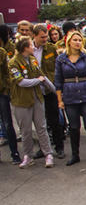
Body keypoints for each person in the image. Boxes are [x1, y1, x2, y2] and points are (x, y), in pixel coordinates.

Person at [54, 31, 86, 165]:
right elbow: (58, 80)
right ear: (69, 42)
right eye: (75, 40)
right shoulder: (61, 59)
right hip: (70, 96)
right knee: (74, 127)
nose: (78, 42)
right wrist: (60, 100)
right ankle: (75, 155)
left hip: (85, 94)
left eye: (80, 40)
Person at [10, 36, 56, 168]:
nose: (33, 47)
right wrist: (38, 81)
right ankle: (28, 156)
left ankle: (48, 154)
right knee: (25, 130)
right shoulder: (13, 63)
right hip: (22, 101)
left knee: (41, 127)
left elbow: (42, 75)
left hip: (37, 98)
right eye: (31, 45)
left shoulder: (32, 59)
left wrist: (55, 90)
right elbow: (21, 82)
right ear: (25, 48)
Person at [32, 25, 65, 158]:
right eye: (42, 37)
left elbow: (58, 68)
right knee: (40, 123)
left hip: (50, 89)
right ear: (34, 36)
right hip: (35, 91)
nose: (45, 39)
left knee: (54, 120)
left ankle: (59, 147)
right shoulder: (28, 49)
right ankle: (43, 148)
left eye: (46, 36)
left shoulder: (51, 48)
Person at [0, 25, 22, 164]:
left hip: (2, 92)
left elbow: (7, 73)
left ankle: (15, 154)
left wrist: (6, 89)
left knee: (7, 123)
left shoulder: (2, 52)